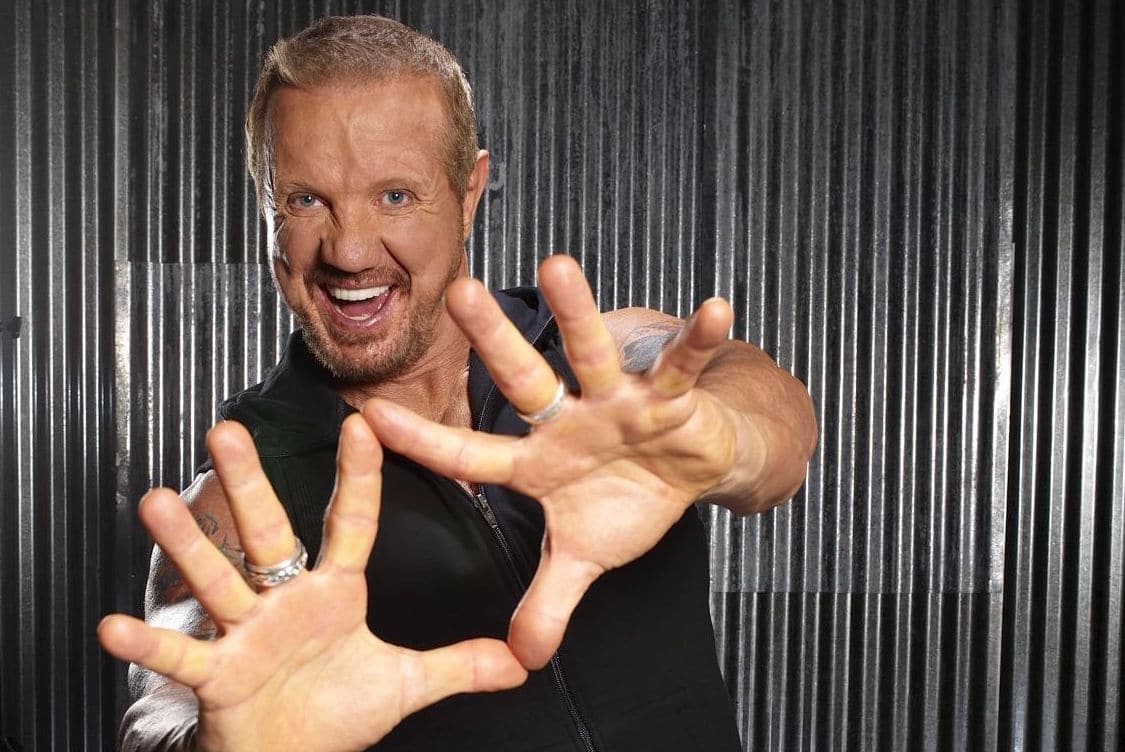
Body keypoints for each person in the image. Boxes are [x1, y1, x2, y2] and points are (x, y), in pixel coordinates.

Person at [98, 14, 818, 752]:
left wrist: (726, 441)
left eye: (395, 196)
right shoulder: (246, 493)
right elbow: (165, 703)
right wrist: (224, 739)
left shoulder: (608, 368)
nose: (349, 251)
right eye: (305, 200)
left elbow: (768, 416)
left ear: (468, 192)